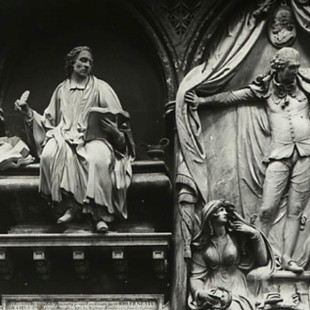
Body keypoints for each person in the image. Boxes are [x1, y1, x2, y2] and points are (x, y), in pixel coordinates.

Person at [185, 47, 310, 273]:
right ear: (279, 67)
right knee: (267, 209)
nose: (296, 71)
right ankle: (256, 258)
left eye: (297, 67)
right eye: (291, 67)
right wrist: (202, 102)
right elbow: (233, 97)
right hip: (279, 154)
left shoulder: (305, 85)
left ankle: (288, 259)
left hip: (306, 154)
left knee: (296, 210)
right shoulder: (265, 89)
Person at [15, 46, 135, 232]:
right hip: (64, 136)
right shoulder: (61, 90)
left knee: (98, 158)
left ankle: (99, 214)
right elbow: (48, 122)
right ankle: (70, 205)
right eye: (83, 60)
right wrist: (28, 113)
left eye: (90, 62)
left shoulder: (101, 88)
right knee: (49, 154)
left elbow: (120, 123)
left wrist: (115, 132)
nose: (87, 65)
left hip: (94, 139)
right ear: (72, 63)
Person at [189, 199, 274, 308]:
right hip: (212, 289)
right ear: (211, 214)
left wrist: (255, 235)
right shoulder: (202, 246)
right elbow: (196, 276)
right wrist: (200, 292)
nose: (225, 213)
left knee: (234, 307)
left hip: (236, 287)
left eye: (225, 210)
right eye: (221, 210)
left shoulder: (237, 238)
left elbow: (263, 261)